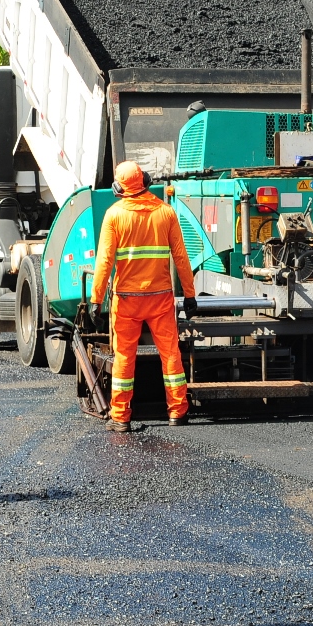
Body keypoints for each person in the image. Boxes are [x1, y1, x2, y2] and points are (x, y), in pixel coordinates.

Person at [90, 160, 198, 432]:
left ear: (118, 187)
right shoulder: (166, 212)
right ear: (146, 181)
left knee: (125, 357)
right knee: (170, 354)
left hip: (126, 299)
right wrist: (189, 293)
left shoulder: (114, 215)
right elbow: (181, 257)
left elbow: (104, 261)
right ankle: (177, 412)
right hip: (160, 297)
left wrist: (95, 299)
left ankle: (121, 417)